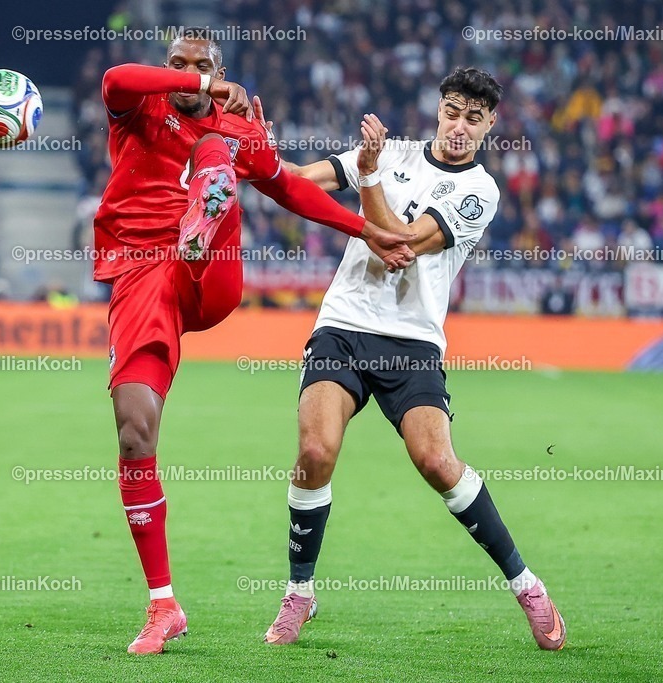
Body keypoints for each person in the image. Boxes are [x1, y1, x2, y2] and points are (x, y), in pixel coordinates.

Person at [94, 28, 415, 655]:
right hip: (141, 279)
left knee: (218, 149)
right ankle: (163, 605)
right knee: (134, 430)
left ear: (221, 65)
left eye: (203, 65)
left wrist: (366, 229)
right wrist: (201, 84)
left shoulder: (236, 127)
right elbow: (115, 80)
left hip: (207, 269)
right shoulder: (140, 109)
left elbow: (289, 186)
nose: (190, 74)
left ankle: (203, 213)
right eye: (179, 65)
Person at [258, 67, 567, 651]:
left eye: (473, 119)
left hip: (413, 341)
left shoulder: (480, 191)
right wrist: (256, 154)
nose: (459, 125)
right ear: (439, 109)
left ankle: (527, 585)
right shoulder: (393, 150)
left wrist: (369, 174)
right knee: (314, 451)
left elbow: (397, 241)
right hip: (344, 326)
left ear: (489, 126)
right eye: (452, 111)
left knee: (437, 463)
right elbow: (302, 180)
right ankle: (299, 592)